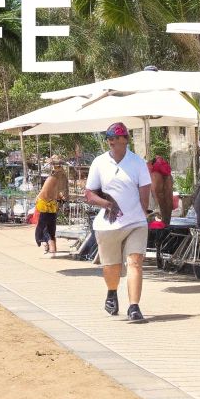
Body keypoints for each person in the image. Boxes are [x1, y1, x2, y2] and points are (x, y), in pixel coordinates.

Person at [83, 123, 152, 324]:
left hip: (135, 222)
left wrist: (143, 213)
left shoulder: (137, 163)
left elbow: (145, 191)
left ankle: (134, 307)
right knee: (111, 268)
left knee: (135, 262)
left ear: (126, 141)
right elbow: (89, 194)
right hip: (108, 225)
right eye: (111, 139)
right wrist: (107, 204)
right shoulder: (99, 162)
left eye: (118, 139)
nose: (114, 143)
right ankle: (112, 292)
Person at [34, 157, 68, 255]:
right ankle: (51, 248)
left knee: (44, 228)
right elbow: (57, 193)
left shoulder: (53, 177)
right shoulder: (60, 177)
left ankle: (48, 246)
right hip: (51, 204)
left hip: (46, 204)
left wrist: (39, 197)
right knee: (50, 228)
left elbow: (45, 193)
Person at [147, 145, 175, 220]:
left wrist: (157, 208)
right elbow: (170, 201)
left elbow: (154, 191)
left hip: (153, 209)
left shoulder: (153, 176)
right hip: (165, 211)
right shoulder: (168, 177)